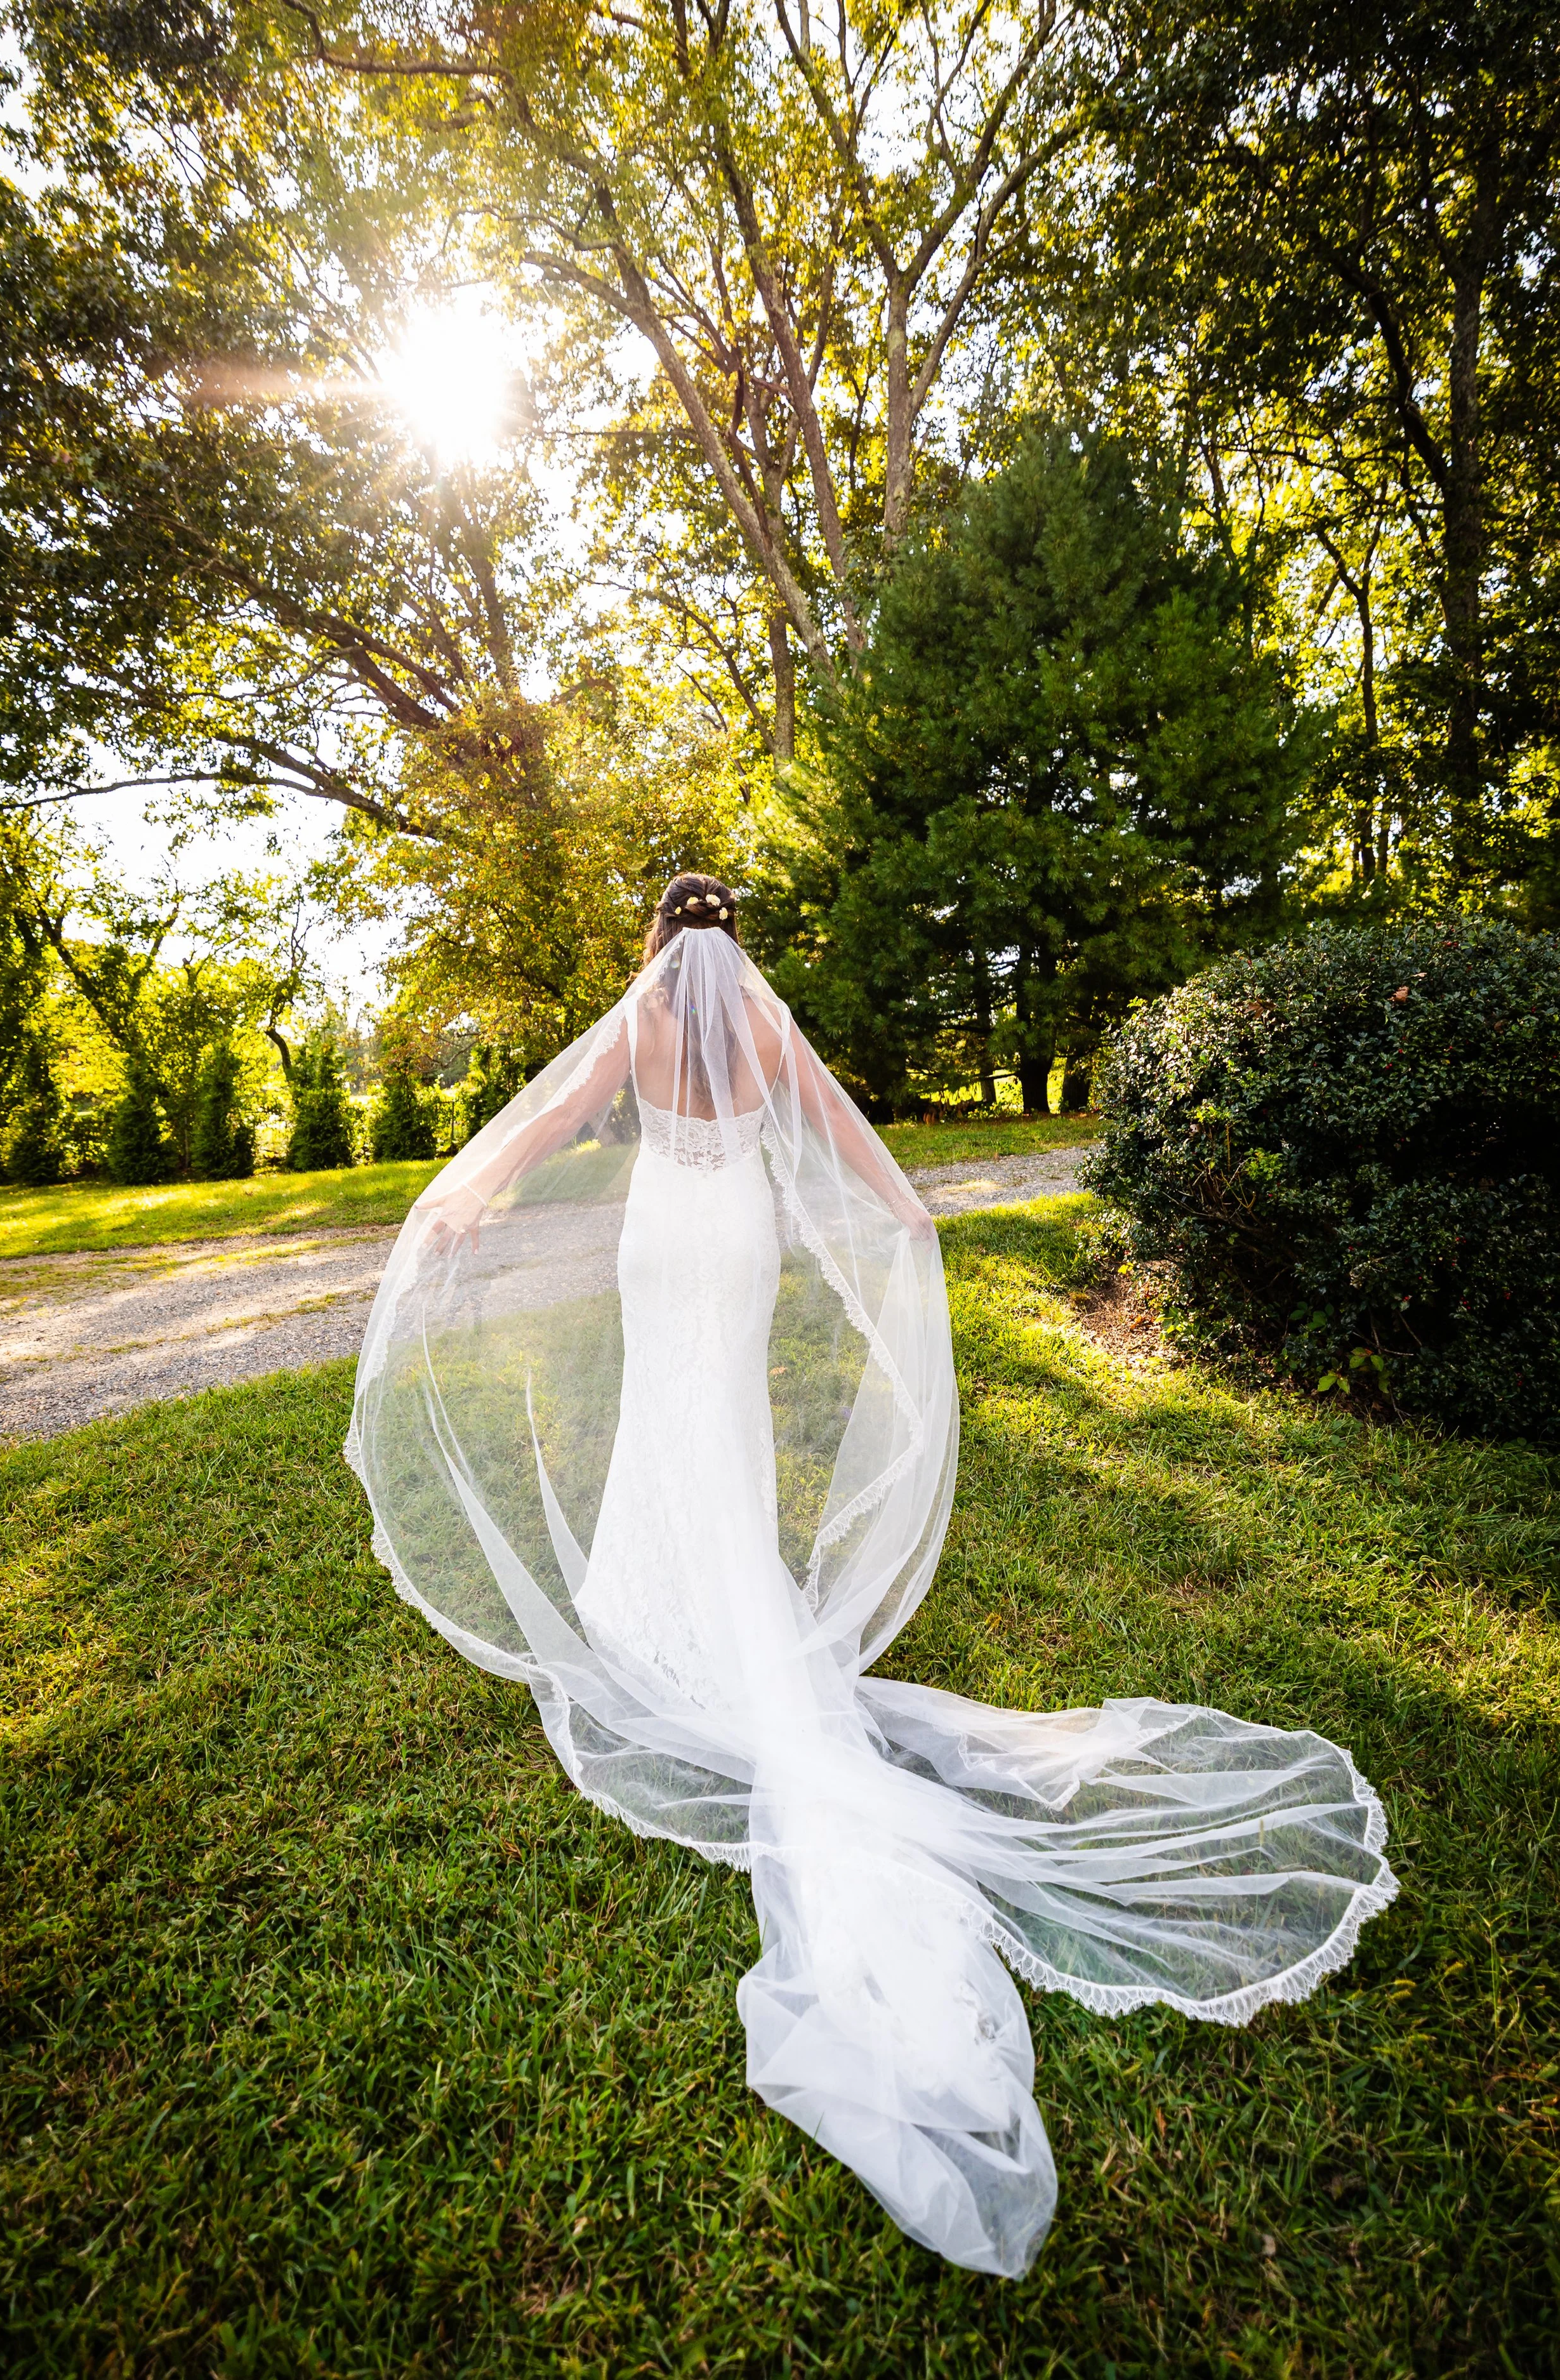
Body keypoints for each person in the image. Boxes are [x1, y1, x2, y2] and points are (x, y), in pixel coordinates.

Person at [348, 875, 1398, 2277]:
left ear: (660, 941)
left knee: (674, 1408)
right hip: (739, 1242)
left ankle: (655, 1605)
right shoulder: (756, 1017)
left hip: (664, 1234)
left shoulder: (645, 1010)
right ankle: (688, 1596)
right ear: (733, 942)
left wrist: (467, 1192)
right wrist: (906, 1213)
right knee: (710, 1413)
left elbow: (546, 1117)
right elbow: (835, 1126)